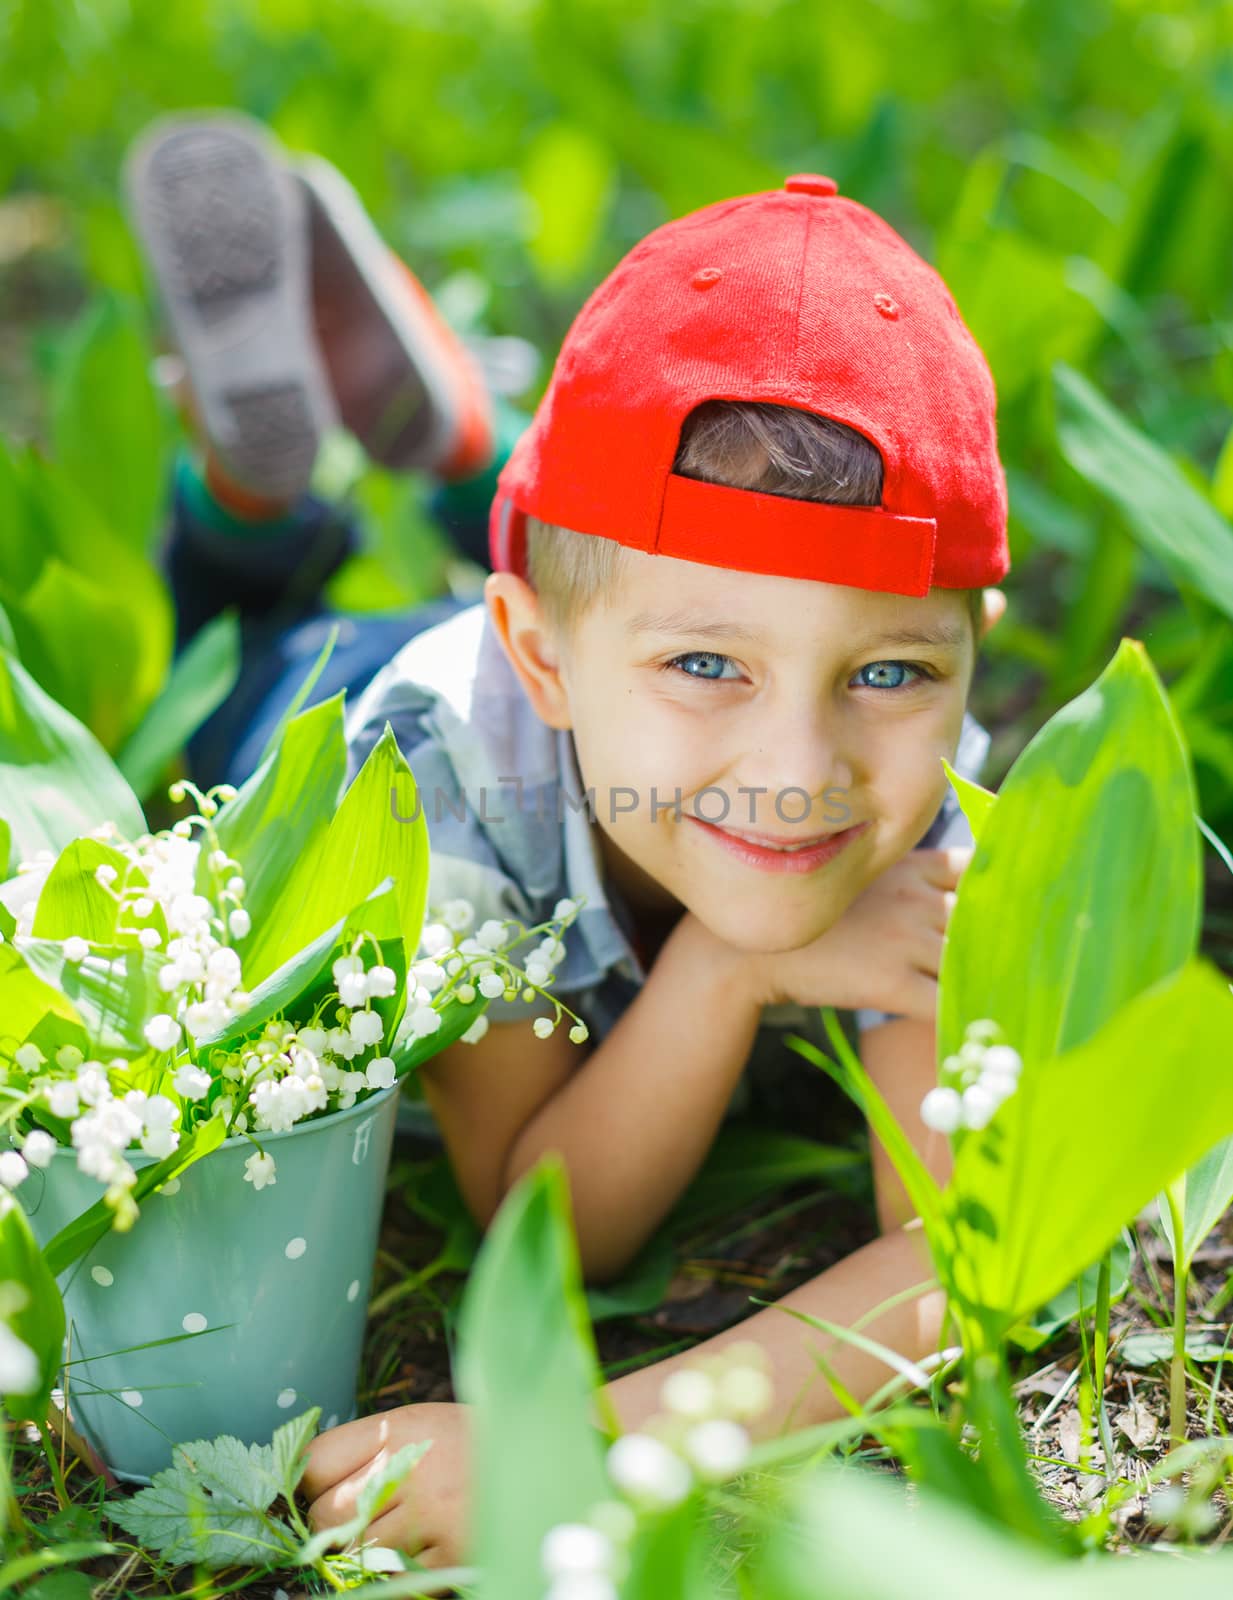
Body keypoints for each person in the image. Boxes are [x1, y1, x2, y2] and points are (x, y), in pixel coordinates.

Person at [124, 115, 1009, 1566]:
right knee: (220, 649)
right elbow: (544, 1214)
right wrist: (721, 970)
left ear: (966, 657)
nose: (800, 774)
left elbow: (966, 1254)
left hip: (570, 642)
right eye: (710, 670)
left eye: (888, 674)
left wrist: (602, 1439)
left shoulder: (917, 804)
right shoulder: (428, 788)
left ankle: (468, 447)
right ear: (535, 660)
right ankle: (248, 487)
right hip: (339, 699)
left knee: (620, 570)